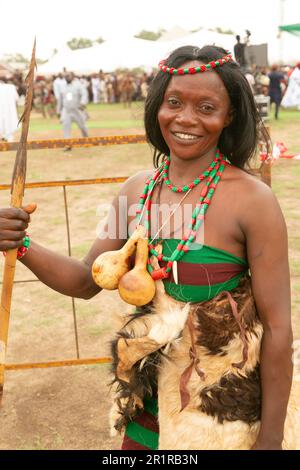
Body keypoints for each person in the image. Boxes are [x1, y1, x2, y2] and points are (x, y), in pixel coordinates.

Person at [0, 45, 295, 450]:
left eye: (206, 107)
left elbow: (278, 330)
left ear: (229, 117)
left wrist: (272, 440)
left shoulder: (253, 200)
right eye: (174, 102)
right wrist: (21, 243)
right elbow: (87, 280)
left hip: (220, 414)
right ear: (158, 106)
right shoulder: (136, 190)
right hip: (146, 406)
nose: (185, 119)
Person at [57, 72, 89, 150]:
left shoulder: (78, 85)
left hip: (77, 110)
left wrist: (83, 103)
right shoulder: (62, 87)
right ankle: (68, 145)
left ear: (72, 77)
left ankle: (87, 140)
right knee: (66, 127)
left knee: (82, 127)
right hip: (66, 111)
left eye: (68, 76)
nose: (67, 77)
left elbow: (84, 94)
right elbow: (60, 100)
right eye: (66, 76)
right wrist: (58, 110)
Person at [0, 77, 19, 142]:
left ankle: (6, 136)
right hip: (9, 108)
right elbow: (16, 99)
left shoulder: (11, 87)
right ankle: (8, 136)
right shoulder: (11, 87)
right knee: (9, 121)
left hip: (4, 108)